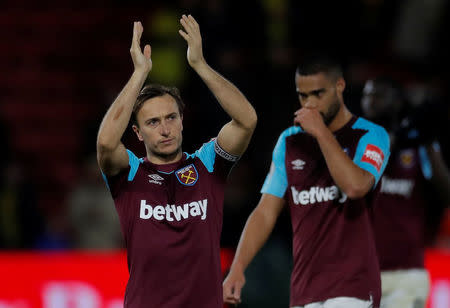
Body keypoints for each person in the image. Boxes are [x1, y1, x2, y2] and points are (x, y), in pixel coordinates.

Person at [96, 15, 257, 308]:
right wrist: (138, 75)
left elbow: (246, 121)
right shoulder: (130, 172)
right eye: (153, 122)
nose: (165, 129)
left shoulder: (208, 164)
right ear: (138, 132)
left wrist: (200, 65)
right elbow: (106, 144)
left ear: (182, 121)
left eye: (171, 118)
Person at [223, 56, 391, 308]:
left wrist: (321, 132)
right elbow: (265, 211)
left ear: (340, 86)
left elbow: (356, 186)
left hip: (353, 288)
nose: (310, 104)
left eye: (318, 94)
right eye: (303, 96)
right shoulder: (290, 142)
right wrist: (238, 266)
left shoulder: (370, 135)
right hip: (304, 290)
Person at [361, 77, 450, 308]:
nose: (371, 101)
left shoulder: (419, 146)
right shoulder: (355, 143)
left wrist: (429, 142)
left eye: (379, 95)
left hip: (406, 274)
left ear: (398, 102)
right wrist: (394, 139)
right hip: (359, 273)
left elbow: (447, 195)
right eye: (367, 95)